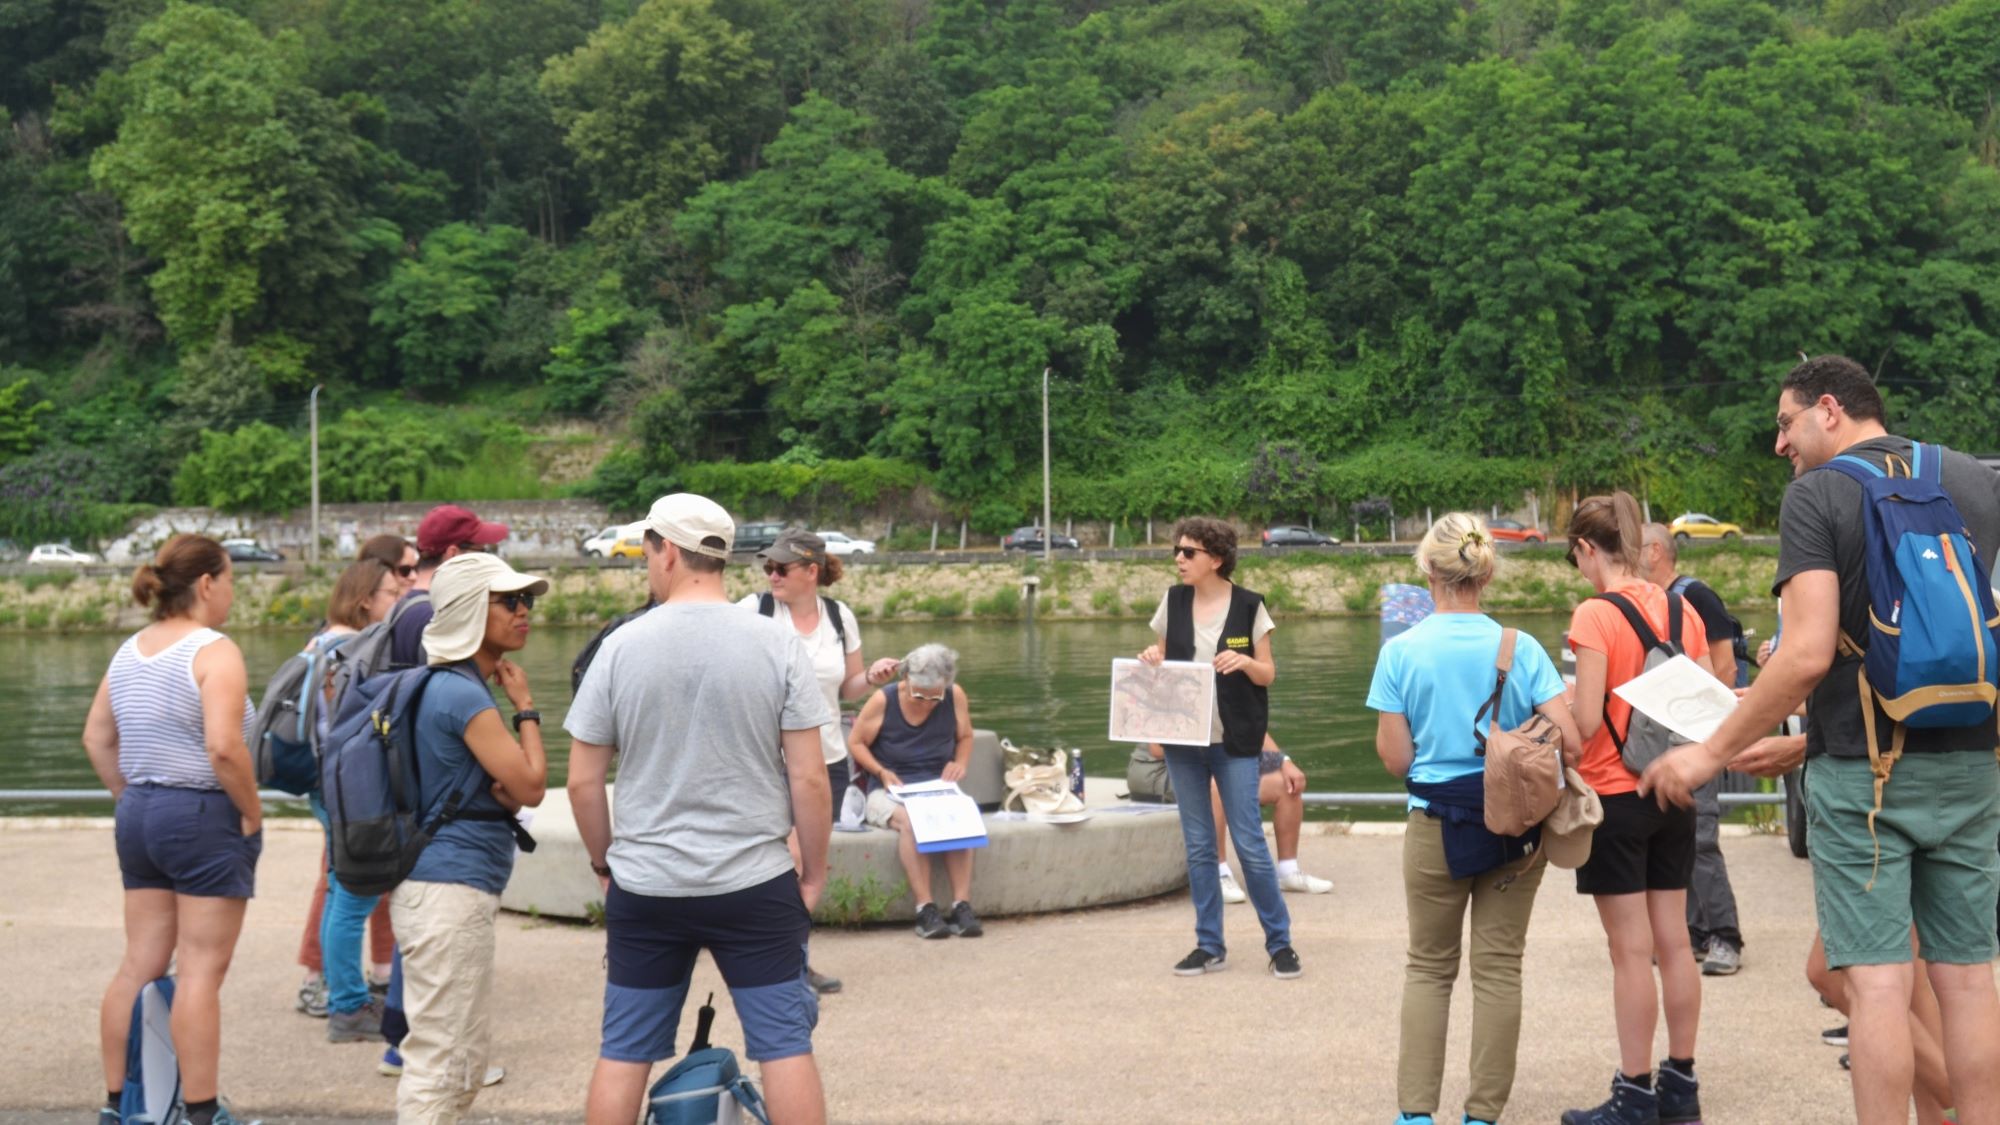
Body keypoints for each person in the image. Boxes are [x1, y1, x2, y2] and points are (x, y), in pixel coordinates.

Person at [1642, 355, 2000, 1125]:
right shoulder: (1970, 478)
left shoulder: (1818, 494)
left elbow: (1805, 655)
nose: (1780, 445)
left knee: (1876, 985)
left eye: (1784, 423)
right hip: (1973, 763)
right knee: (1970, 981)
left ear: (1828, 409)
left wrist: (1708, 752)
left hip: (1864, 780)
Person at [565, 493, 832, 1125]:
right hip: (754, 881)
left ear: (668, 551)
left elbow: (582, 783)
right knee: (785, 1048)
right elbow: (811, 778)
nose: (645, 564)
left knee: (624, 1052)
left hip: (647, 884)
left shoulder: (620, 647)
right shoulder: (776, 643)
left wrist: (606, 865)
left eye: (647, 550)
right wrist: (814, 874)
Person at [1367, 513, 1583, 1125]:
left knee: (1430, 967)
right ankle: (1481, 1115)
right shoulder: (1522, 648)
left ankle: (1415, 1116)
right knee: (1498, 968)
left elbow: (1395, 759)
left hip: (1435, 825)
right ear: (1486, 573)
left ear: (1429, 572)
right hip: (1515, 826)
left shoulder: (1400, 652)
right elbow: (1572, 743)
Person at [82, 535, 261, 1125]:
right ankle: (202, 1114)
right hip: (202, 814)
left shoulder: (130, 651)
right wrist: (252, 810)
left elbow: (97, 738)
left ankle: (118, 1105)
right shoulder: (215, 651)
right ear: (207, 584)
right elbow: (223, 747)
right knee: (202, 971)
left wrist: (132, 798)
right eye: (231, 578)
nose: (234, 590)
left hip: (140, 814)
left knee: (139, 964)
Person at [1560, 491, 1710, 1125]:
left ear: (1589, 549)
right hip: (1673, 789)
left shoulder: (1594, 614)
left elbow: (1588, 721)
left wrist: (1554, 707)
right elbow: (1703, 708)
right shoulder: (1682, 608)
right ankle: (1681, 1085)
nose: (1581, 572)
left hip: (1614, 800)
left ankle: (1634, 1093)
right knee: (1673, 942)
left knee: (1629, 951)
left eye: (1577, 560)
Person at [390, 552, 548, 1124]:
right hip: (449, 893)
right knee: (445, 1063)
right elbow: (529, 786)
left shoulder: (441, 686)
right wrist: (526, 708)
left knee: (450, 1055)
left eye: (526, 600)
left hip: (434, 886)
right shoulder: (463, 695)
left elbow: (501, 791)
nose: (524, 611)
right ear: (467, 613)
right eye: (509, 601)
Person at [1138, 516, 1300, 980]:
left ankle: (1280, 943)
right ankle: (1209, 944)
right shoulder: (1172, 601)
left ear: (1217, 558)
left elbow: (1268, 673)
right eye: (1177, 551)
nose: (1179, 559)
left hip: (1234, 740)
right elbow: (1163, 660)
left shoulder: (1250, 606)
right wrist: (1151, 658)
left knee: (1249, 844)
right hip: (1182, 741)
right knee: (1199, 846)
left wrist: (1247, 660)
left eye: (1188, 552)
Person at [379, 506, 508, 1076]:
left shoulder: (406, 611)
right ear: (456, 557)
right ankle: (402, 1041)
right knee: (437, 1044)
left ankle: (405, 1037)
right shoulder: (429, 619)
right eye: (483, 549)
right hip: (437, 826)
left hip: (421, 817)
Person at [737, 530, 899, 981]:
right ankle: (780, 960)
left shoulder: (839, 615)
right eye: (767, 567)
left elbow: (846, 688)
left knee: (809, 864)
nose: (771, 575)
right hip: (765, 761)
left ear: (812, 572)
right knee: (783, 858)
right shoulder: (754, 611)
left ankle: (790, 957)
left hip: (826, 761)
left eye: (780, 568)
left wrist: (871, 675)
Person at [294, 559, 402, 1038]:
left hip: (323, 781)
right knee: (354, 895)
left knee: (343, 889)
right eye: (391, 595)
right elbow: (354, 728)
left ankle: (345, 998)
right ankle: (348, 1006)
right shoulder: (350, 649)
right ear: (366, 601)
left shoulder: (319, 643)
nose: (396, 602)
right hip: (346, 786)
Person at [1638, 522, 1747, 977]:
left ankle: (1726, 936)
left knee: (1701, 837)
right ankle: (1697, 930)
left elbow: (1723, 670)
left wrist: (1700, 728)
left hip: (1696, 735)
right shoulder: (1652, 603)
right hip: (1669, 738)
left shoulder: (1696, 597)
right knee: (1679, 835)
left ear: (1657, 552)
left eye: (1636, 548)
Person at [847, 644, 982, 939]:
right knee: (911, 821)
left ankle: (962, 905)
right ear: (905, 679)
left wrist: (960, 763)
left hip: (935, 785)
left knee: (959, 814)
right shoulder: (885, 699)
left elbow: (966, 735)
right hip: (890, 787)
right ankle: (925, 908)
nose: (926, 702)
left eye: (935, 697)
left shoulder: (954, 696)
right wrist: (881, 772)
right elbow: (856, 743)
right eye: (918, 694)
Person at [1139, 734, 1333, 901]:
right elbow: (1157, 749)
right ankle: (1219, 873)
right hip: (1163, 768)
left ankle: (1288, 871)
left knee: (1287, 783)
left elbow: (1254, 729)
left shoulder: (1232, 690)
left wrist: (1284, 762)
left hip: (1222, 759)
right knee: (1215, 784)